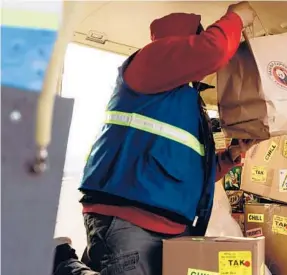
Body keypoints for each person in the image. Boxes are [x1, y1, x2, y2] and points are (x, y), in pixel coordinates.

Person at [53, 2, 257, 275]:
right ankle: (60, 262)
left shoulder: (185, 103)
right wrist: (237, 17)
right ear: (182, 42)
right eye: (198, 37)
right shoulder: (150, 61)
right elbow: (215, 49)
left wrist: (228, 158)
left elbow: (186, 172)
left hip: (167, 222)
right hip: (130, 215)